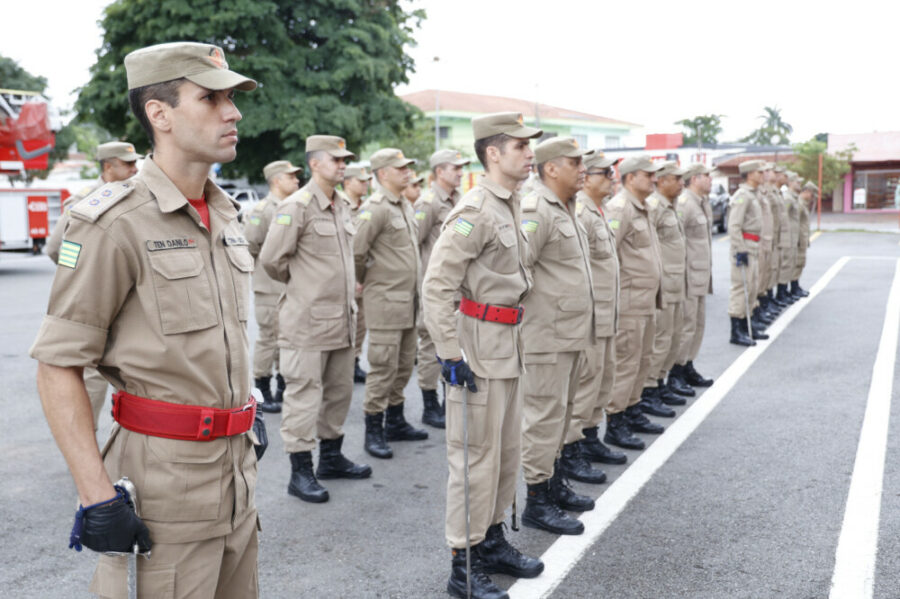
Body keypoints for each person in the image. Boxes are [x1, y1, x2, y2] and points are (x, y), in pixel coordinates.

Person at [30, 41, 265, 597]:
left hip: (236, 479)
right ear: (159, 114)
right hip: (165, 489)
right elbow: (59, 364)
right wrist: (97, 497)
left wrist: (245, 409)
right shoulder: (114, 223)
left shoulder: (226, 215)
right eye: (211, 98)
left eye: (231, 98)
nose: (232, 112)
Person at [423, 111, 543, 599]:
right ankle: (463, 563)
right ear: (493, 153)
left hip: (507, 347)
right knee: (474, 460)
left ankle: (491, 539)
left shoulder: (509, 203)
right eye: (520, 146)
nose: (530, 153)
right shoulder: (474, 210)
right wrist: (449, 355)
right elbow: (437, 287)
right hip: (475, 350)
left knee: (506, 455)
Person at [259, 135, 372, 503]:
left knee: (338, 393)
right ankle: (301, 471)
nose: (343, 165)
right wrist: (306, 287)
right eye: (336, 160)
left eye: (345, 160)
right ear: (314, 164)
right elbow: (272, 261)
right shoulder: (297, 206)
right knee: (304, 396)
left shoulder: (341, 206)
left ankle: (332, 458)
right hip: (307, 320)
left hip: (342, 318)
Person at [517, 136, 598, 538]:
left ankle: (551, 484)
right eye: (575, 162)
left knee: (561, 414)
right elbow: (517, 268)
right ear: (551, 168)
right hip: (546, 334)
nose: (582, 168)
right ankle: (536, 500)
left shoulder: (567, 207)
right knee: (543, 418)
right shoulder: (536, 208)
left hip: (568, 333)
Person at [45, 140, 141, 430]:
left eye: (136, 163)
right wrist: (84, 272)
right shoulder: (85, 201)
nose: (135, 169)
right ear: (108, 167)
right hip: (97, 306)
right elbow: (57, 248)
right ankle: (87, 458)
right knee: (93, 383)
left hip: (134, 306)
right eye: (128, 164)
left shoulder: (141, 196)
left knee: (137, 378)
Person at [353, 148, 428, 459]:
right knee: (383, 367)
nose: (407, 172)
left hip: (408, 301)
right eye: (400, 168)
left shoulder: (404, 206)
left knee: (403, 364)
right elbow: (357, 252)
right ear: (382, 173)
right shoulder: (376, 208)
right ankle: (374, 427)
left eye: (408, 167)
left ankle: (396, 421)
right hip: (385, 301)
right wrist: (366, 281)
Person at [566, 153, 628, 469]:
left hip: (606, 314)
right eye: (605, 172)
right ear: (587, 177)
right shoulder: (581, 214)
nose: (612, 177)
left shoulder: (596, 211)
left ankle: (590, 438)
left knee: (602, 381)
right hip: (589, 317)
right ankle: (573, 450)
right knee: (585, 384)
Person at [603, 155, 665, 451]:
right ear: (630, 178)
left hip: (646, 299)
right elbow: (607, 256)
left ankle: (632, 409)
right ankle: (616, 421)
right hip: (629, 301)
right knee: (626, 362)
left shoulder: (644, 207)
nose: (654, 179)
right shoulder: (619, 208)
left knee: (642, 359)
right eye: (648, 174)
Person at [413, 149, 471, 429]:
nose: (460, 172)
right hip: (437, 287)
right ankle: (429, 402)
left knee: (456, 342)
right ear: (439, 172)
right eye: (455, 168)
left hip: (459, 288)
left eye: (461, 168)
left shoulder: (459, 200)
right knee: (430, 345)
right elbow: (414, 244)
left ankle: (451, 396)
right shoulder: (428, 202)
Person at [243, 159, 300, 414]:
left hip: (288, 287)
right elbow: (250, 247)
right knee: (268, 340)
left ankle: (281, 386)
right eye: (291, 176)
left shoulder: (293, 206)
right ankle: (262, 389)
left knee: (285, 339)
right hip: (268, 287)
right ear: (277, 180)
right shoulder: (263, 210)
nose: (297, 180)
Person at [640, 162, 690, 417]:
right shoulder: (655, 207)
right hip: (663, 285)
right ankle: (649, 390)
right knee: (660, 340)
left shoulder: (671, 206)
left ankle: (661, 383)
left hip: (676, 283)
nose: (682, 183)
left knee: (672, 337)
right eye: (677, 179)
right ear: (662, 181)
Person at [671, 164, 715, 388]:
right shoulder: (685, 203)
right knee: (686, 325)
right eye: (707, 176)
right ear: (695, 178)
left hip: (700, 275)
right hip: (688, 276)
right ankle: (676, 372)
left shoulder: (703, 203)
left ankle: (688, 364)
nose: (711, 179)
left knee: (697, 324)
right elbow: (677, 241)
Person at [728, 160, 768, 346]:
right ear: (750, 174)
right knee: (741, 288)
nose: (762, 175)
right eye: (759, 172)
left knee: (752, 287)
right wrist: (740, 250)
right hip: (744, 246)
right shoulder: (742, 196)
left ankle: (746, 325)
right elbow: (734, 225)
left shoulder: (753, 194)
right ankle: (736, 330)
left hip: (754, 245)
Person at [341, 165, 373, 383]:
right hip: (347, 276)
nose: (365, 184)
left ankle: (354, 362)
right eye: (360, 181)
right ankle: (343, 365)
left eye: (366, 181)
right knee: (346, 323)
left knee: (361, 323)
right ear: (347, 183)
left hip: (364, 276)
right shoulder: (343, 206)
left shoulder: (368, 207)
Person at [793, 182, 815, 297]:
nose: (812, 196)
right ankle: (793, 288)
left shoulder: (803, 204)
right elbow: (794, 223)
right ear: (806, 192)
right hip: (798, 239)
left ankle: (796, 286)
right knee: (797, 263)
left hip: (802, 238)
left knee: (800, 263)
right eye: (811, 193)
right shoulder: (799, 204)